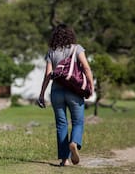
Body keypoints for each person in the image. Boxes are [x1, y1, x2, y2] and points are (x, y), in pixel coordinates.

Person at [38, 24, 94, 166]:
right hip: (74, 91)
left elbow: (47, 75)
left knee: (61, 124)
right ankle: (74, 143)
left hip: (56, 92)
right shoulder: (77, 48)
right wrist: (91, 86)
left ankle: (65, 159)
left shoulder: (52, 51)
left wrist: (42, 93)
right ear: (70, 34)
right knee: (78, 122)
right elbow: (86, 68)